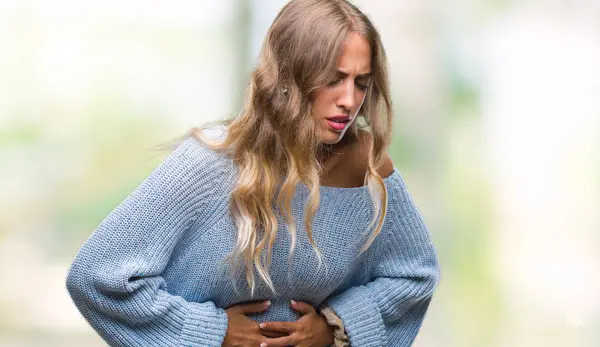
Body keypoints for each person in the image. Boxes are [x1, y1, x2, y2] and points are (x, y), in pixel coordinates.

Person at [66, 0, 440, 346]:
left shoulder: (366, 168)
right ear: (291, 76)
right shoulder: (210, 162)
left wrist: (335, 326)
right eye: (333, 79)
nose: (349, 100)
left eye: (361, 82)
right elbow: (98, 276)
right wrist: (212, 332)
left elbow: (414, 276)